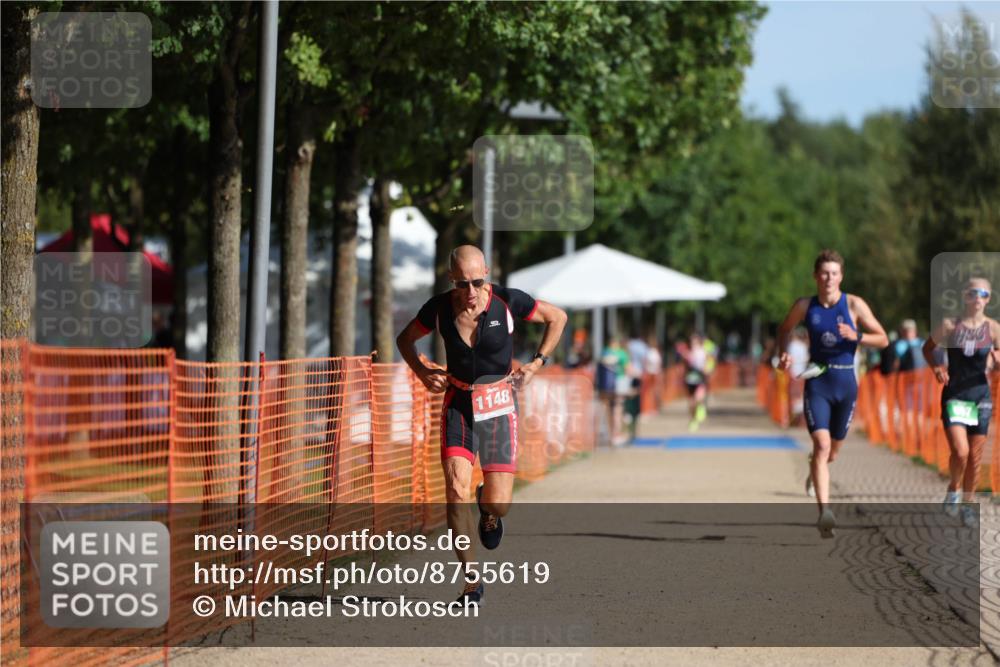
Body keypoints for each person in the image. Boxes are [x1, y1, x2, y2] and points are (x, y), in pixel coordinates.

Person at [396, 245, 567, 605]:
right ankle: (472, 583)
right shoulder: (438, 308)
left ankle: (488, 510)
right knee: (455, 490)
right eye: (462, 283)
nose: (470, 291)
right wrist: (423, 371)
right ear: (451, 279)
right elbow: (405, 339)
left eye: (477, 282)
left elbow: (558, 317)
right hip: (458, 405)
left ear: (486, 273)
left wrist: (537, 363)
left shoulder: (508, 301)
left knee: (500, 503)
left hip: (498, 406)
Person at [777, 249, 888, 537]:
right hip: (818, 381)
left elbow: (883, 339)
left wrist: (857, 336)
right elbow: (785, 329)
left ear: (841, 277)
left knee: (832, 452)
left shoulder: (853, 304)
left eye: (834, 273)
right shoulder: (805, 306)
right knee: (822, 445)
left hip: (846, 384)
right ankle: (824, 513)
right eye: (824, 273)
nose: (829, 278)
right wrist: (784, 353)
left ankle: (814, 468)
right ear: (816, 276)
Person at [922, 278, 1000, 528]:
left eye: (983, 294)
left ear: (988, 299)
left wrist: (997, 360)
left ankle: (968, 505)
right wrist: (937, 368)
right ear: (965, 296)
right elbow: (927, 348)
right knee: (961, 451)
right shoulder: (950, 325)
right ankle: (954, 488)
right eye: (973, 292)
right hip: (955, 395)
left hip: (981, 396)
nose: (978, 297)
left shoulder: (994, 328)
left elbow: (998, 355)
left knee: (975, 457)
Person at [676, 332, 710, 432]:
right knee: (691, 403)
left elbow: (707, 364)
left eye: (694, 341)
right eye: (691, 341)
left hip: (700, 379)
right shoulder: (687, 353)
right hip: (690, 380)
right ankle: (693, 420)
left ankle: (701, 408)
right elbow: (683, 366)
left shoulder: (703, 352)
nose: (693, 343)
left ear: (699, 342)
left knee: (698, 398)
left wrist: (706, 370)